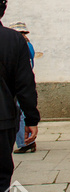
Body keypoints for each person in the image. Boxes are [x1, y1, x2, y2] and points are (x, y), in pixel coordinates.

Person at [0, 0, 39, 192]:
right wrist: (32, 118)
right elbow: (25, 85)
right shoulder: (14, 41)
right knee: (1, 178)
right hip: (1, 121)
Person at [10, 23, 36, 154]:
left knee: (20, 113)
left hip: (18, 84)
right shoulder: (28, 45)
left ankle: (25, 141)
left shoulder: (18, 46)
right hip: (24, 82)